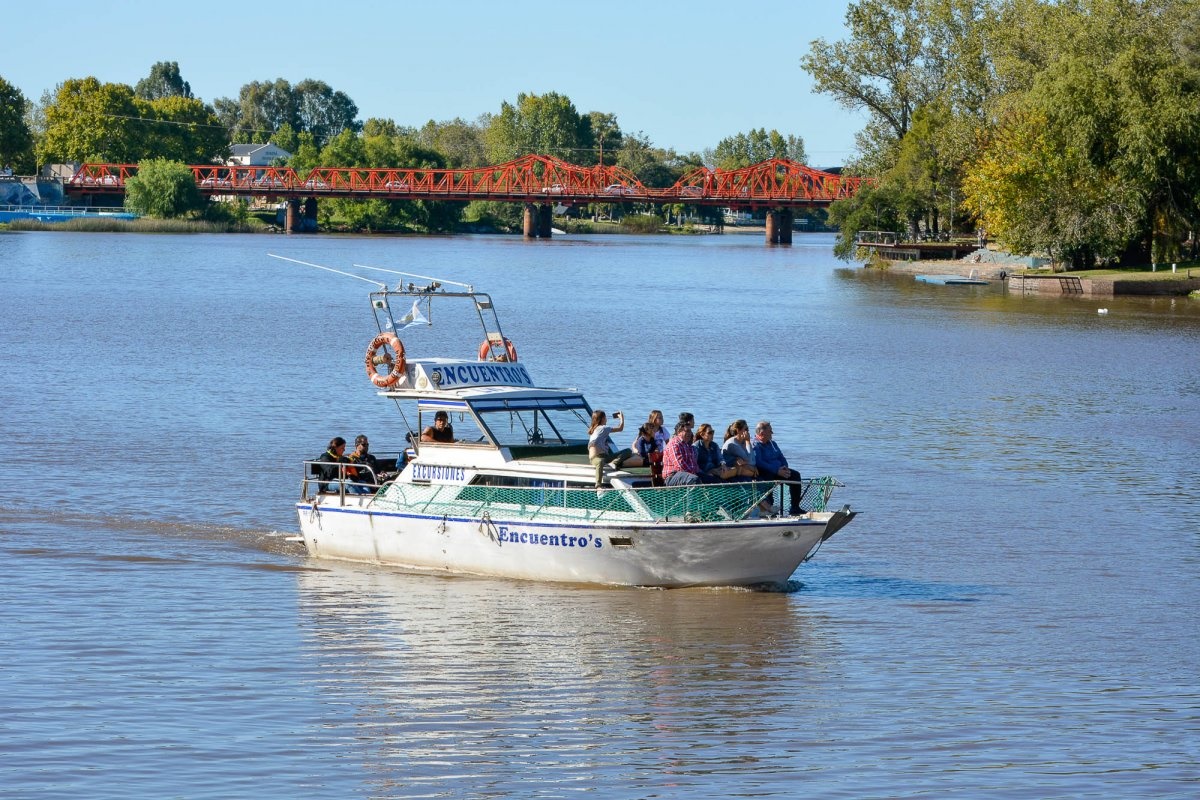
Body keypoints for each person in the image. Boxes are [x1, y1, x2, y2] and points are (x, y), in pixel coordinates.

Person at [751, 420, 803, 515]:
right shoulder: (755, 445)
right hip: (765, 472)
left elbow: (781, 457)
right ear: (762, 433)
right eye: (770, 431)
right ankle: (770, 510)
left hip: (780, 470)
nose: (772, 433)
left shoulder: (773, 444)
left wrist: (785, 467)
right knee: (768, 479)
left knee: (795, 475)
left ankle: (795, 507)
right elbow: (759, 463)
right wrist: (776, 471)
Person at [588, 410, 632, 487]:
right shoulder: (603, 428)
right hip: (596, 458)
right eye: (605, 417)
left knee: (628, 451)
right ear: (602, 419)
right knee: (600, 462)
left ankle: (613, 463)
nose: (606, 419)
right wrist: (621, 418)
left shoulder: (593, 429)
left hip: (604, 457)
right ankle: (598, 485)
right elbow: (620, 428)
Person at [661, 421, 701, 486]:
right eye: (687, 431)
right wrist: (694, 473)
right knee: (694, 479)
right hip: (672, 476)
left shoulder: (688, 445)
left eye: (690, 431)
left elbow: (694, 464)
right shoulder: (674, 444)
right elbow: (680, 465)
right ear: (679, 432)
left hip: (688, 474)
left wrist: (698, 472)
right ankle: (693, 496)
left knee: (711, 479)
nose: (690, 433)